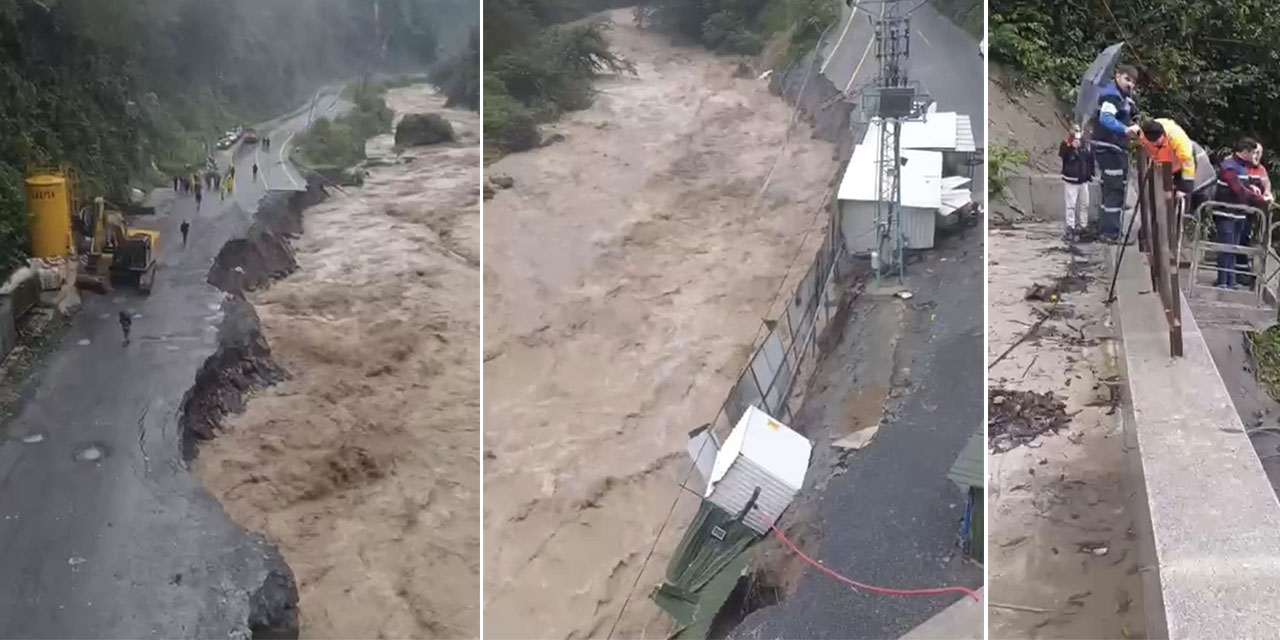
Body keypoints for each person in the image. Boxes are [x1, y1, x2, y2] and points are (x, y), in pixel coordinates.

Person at [1213, 138, 1272, 288]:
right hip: (1226, 214)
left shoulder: (1242, 167)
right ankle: (1222, 281)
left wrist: (1252, 188)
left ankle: (1231, 280)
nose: (1255, 156)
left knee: (1234, 248)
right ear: (1245, 152)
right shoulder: (1229, 167)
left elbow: (1244, 186)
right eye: (1253, 153)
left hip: (1239, 213)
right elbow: (1237, 189)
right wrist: (1260, 199)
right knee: (1226, 247)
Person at [1092, 64, 1142, 243]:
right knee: (1114, 189)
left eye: (1133, 82)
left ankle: (1111, 230)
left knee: (1116, 189)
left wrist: (1134, 118)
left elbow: (1133, 115)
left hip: (1117, 149)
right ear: (1117, 76)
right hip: (1108, 147)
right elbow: (1106, 118)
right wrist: (1125, 130)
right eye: (1127, 79)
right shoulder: (1111, 96)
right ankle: (1110, 233)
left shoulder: (1124, 98)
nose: (1130, 85)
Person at [1139, 118, 1196, 194]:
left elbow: (1187, 162)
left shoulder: (1177, 138)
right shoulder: (1145, 133)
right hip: (1165, 165)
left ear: (1163, 134)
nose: (1155, 144)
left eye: (1157, 141)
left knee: (1182, 193)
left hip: (1181, 163)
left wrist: (1186, 188)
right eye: (1152, 142)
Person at [1059, 123, 1095, 242]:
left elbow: (1090, 159)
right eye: (1075, 130)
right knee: (1071, 205)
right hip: (1071, 179)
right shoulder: (1066, 142)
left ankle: (1083, 226)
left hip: (1083, 180)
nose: (1077, 132)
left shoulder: (1085, 144)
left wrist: (1091, 174)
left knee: (1085, 204)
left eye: (1079, 130)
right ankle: (1070, 227)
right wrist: (1071, 148)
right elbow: (1063, 155)